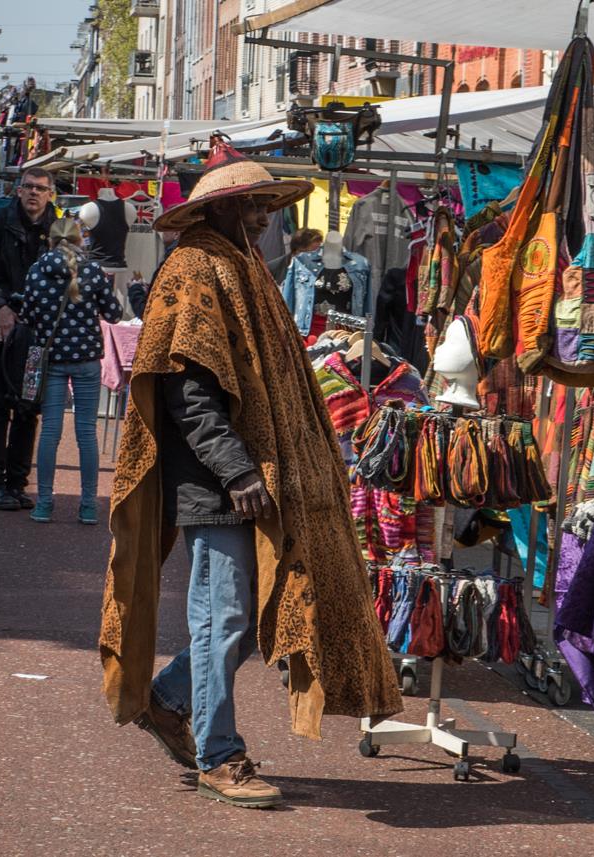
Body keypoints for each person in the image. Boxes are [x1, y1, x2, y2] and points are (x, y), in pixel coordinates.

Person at [102, 142, 402, 810]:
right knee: (226, 617)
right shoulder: (193, 269)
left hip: (255, 478)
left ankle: (172, 697)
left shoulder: (246, 268)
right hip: (215, 482)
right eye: (257, 205)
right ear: (227, 206)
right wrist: (237, 468)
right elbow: (186, 390)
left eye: (269, 206)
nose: (267, 217)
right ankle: (219, 755)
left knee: (262, 612)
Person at [12, 217, 123, 523]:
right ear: (79, 239)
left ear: (49, 240)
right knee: (86, 432)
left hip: (52, 359)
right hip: (86, 359)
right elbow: (114, 314)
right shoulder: (91, 271)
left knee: (50, 431)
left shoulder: (36, 271)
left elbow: (28, 316)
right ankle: (88, 505)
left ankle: (45, 503)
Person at [0, 167, 59, 511]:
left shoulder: (58, 229)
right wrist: (0, 305)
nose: (34, 193)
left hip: (38, 334)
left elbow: (73, 274)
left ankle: (17, 482)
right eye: (29, 187)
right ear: (18, 191)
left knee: (29, 406)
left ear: (50, 194)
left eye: (41, 188)